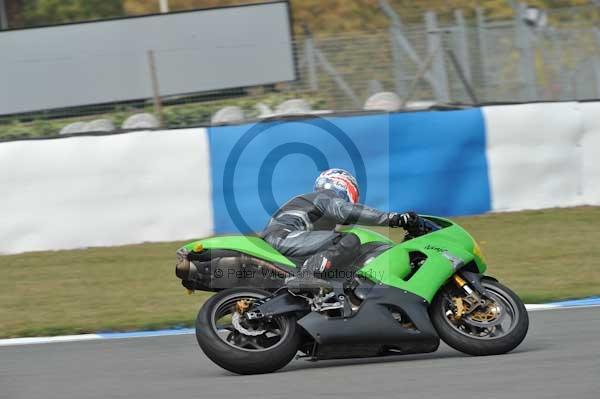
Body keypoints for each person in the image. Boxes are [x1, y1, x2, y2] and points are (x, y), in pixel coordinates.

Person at [261, 168, 421, 292]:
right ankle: (306, 275)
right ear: (343, 186)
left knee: (339, 257)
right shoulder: (325, 196)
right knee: (347, 240)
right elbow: (346, 211)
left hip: (284, 242)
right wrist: (394, 219)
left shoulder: (318, 216)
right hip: (283, 237)